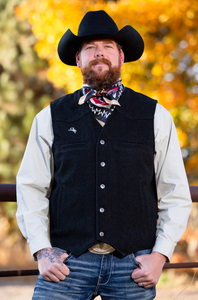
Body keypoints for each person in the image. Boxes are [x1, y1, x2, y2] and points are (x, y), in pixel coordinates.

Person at [16, 10, 192, 300]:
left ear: (121, 57)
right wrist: (42, 250)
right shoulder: (50, 117)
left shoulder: (156, 116)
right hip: (66, 264)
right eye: (90, 48)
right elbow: (31, 188)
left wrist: (160, 255)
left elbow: (175, 192)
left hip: (133, 267)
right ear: (78, 59)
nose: (99, 53)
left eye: (108, 46)